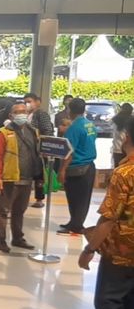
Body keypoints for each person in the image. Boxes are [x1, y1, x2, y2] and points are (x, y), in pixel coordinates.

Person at [78, 119, 134, 309]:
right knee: (128, 303)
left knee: (107, 301)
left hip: (123, 249)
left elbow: (109, 218)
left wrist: (90, 248)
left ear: (125, 137)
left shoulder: (125, 173)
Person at [0, 102, 41, 253]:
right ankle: (0, 239)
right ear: (11, 116)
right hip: (9, 179)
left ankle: (17, 238)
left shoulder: (33, 132)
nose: (21, 114)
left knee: (20, 210)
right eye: (18, 112)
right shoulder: (3, 133)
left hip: (27, 178)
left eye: (24, 111)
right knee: (2, 211)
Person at [59, 98, 97, 236]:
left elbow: (69, 151)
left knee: (75, 198)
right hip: (90, 166)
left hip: (77, 167)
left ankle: (76, 225)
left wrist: (62, 170)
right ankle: (74, 222)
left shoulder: (74, 128)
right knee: (84, 198)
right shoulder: (90, 125)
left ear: (70, 110)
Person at [24, 93, 54, 208]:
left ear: (37, 102)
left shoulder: (41, 114)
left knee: (39, 175)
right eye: (25, 101)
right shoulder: (25, 115)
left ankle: (39, 198)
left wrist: (44, 147)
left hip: (38, 150)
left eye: (29, 101)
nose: (27, 104)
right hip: (26, 150)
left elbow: (47, 131)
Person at [112, 103, 132, 167]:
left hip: (117, 149)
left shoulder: (115, 120)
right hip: (128, 151)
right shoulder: (131, 121)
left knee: (117, 170)